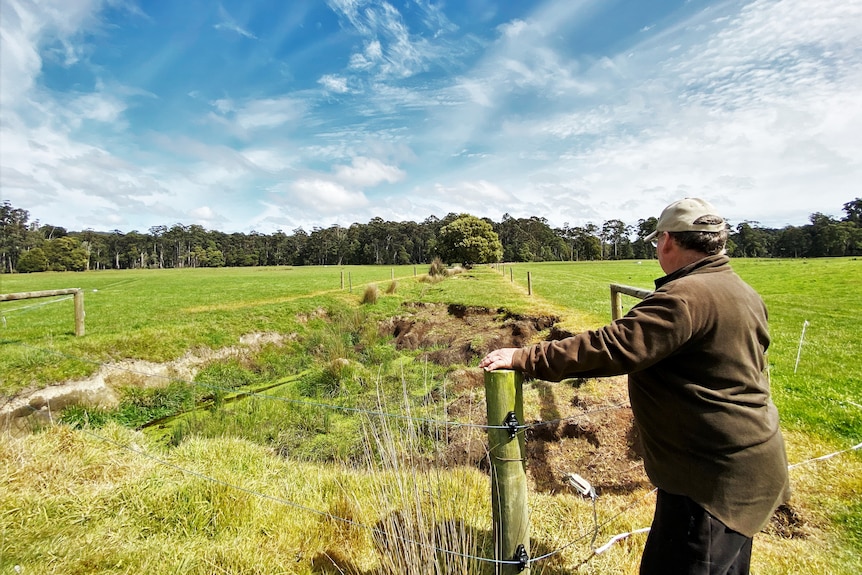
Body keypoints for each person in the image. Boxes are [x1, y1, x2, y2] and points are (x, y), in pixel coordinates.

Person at [480, 198, 790, 575]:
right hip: (746, 461)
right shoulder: (741, 291)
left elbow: (611, 346)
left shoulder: (685, 297)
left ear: (668, 241)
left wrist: (525, 357)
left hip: (710, 480)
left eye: (657, 240)